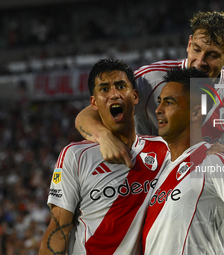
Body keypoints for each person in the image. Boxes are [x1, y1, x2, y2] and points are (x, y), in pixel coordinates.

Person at [75, 11, 224, 167]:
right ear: (188, 44)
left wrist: (223, 155)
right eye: (196, 49)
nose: (200, 61)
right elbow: (86, 116)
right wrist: (103, 136)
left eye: (213, 55)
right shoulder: (150, 79)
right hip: (141, 176)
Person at [38, 58, 170, 255]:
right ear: (94, 103)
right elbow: (58, 230)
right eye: (104, 89)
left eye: (120, 86)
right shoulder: (75, 156)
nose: (114, 94)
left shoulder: (163, 151)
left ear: (134, 96)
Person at [142, 67, 224, 255]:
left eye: (169, 103)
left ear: (195, 113)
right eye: (159, 102)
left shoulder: (215, 160)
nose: (158, 110)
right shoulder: (162, 169)